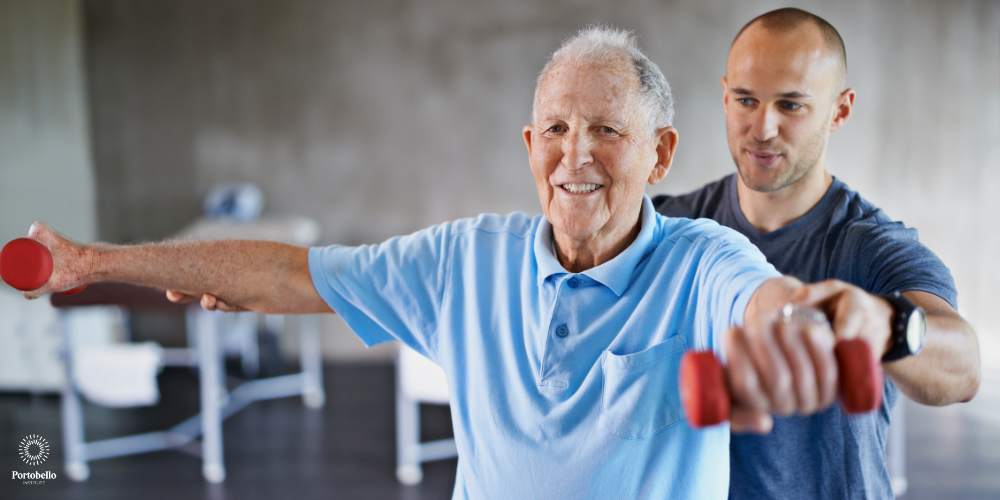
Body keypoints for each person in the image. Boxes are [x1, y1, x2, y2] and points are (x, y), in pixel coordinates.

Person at [26, 26, 892, 499]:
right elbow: (297, 273)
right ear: (528, 145)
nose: (574, 155)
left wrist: (808, 322)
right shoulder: (464, 259)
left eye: (605, 130)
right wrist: (90, 262)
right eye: (554, 129)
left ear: (660, 155)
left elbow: (766, 300)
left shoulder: (704, 259)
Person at [652, 8, 981, 499]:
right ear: (725, 96)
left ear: (840, 110)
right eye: (746, 100)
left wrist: (885, 324)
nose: (762, 128)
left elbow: (965, 367)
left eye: (790, 105)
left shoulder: (868, 244)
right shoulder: (670, 227)